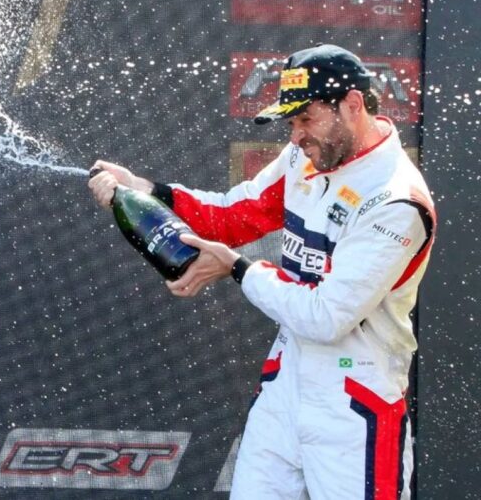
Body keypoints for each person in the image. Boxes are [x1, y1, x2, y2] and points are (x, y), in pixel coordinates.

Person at [89, 44, 434, 499]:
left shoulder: (396, 201)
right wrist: (148, 190)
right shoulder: (305, 157)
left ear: (352, 106)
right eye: (290, 123)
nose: (295, 138)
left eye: (305, 120)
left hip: (356, 404)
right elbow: (234, 215)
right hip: (285, 388)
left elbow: (325, 316)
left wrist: (236, 268)